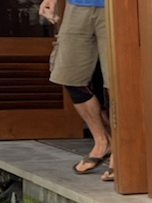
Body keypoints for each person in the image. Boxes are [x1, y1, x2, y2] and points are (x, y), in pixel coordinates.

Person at [39, 0, 114, 182]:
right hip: (77, 6)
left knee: (118, 82)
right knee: (69, 76)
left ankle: (123, 152)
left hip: (117, 8)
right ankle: (102, 141)